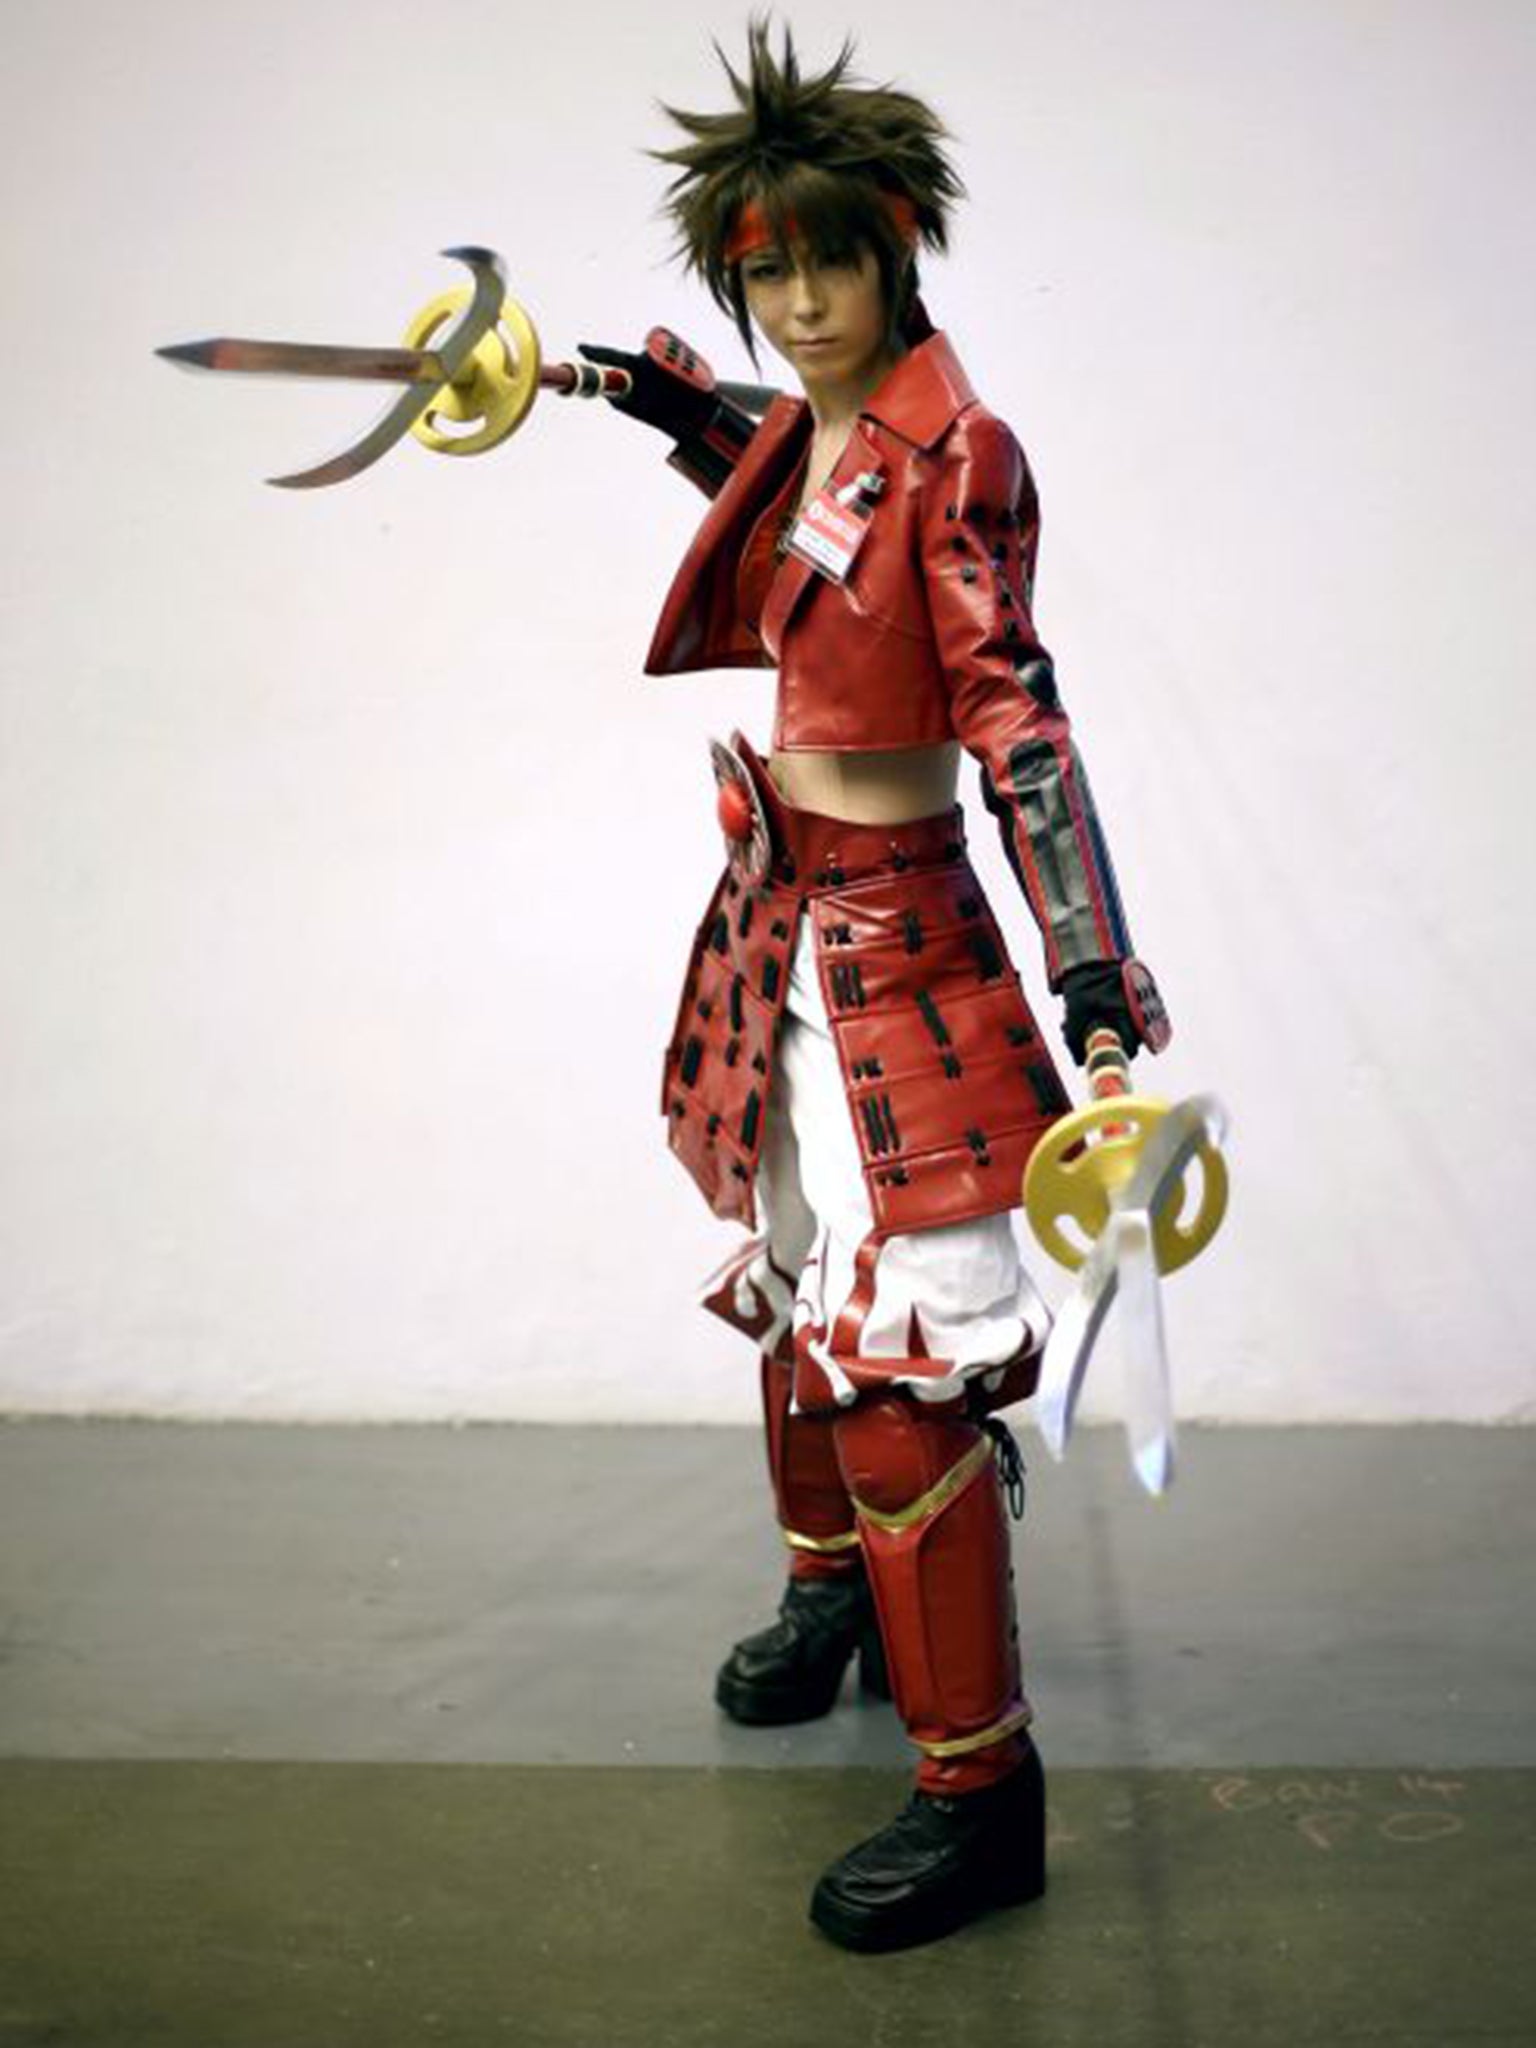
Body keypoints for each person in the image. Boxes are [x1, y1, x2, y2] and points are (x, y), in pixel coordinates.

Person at [580, 19, 1166, 1951]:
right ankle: (832, 1585)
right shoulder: (818, 425)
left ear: (899, 249)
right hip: (774, 902)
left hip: (902, 931)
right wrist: (587, 376)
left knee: (906, 1358)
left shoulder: (957, 450)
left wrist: (1088, 965)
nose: (805, 302)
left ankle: (979, 1787)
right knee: (791, 1275)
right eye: (766, 269)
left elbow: (1018, 713)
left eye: (831, 262)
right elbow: (751, 447)